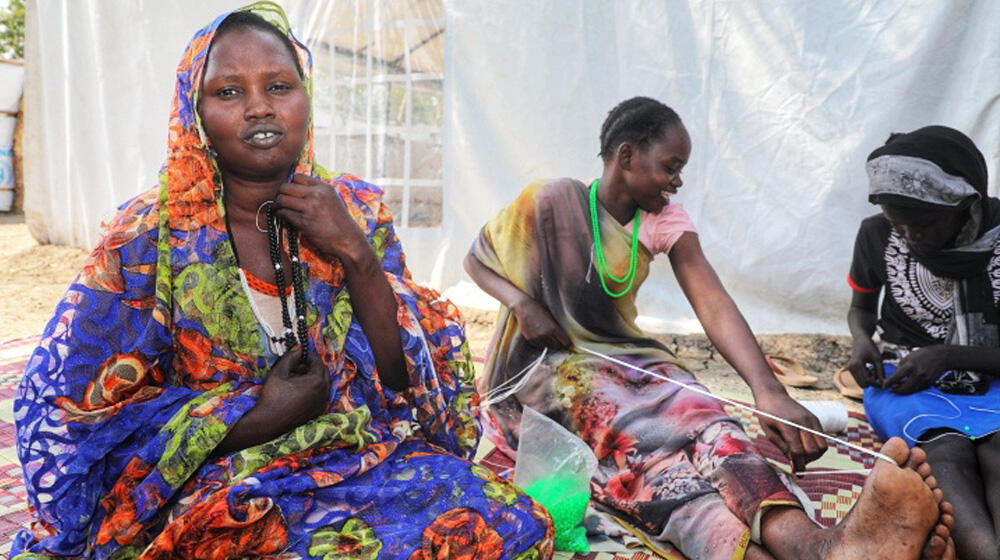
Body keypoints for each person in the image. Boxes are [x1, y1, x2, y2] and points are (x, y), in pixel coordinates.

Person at [11, 4, 552, 559]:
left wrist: (356, 255)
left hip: (350, 451)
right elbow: (69, 414)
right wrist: (258, 416)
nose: (259, 107)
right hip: (220, 478)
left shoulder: (356, 210)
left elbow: (401, 378)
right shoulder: (148, 236)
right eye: (228, 92)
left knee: (512, 524)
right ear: (192, 112)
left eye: (278, 85)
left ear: (305, 97)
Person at [465, 96, 955, 560]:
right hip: (543, 373)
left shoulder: (661, 220)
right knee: (648, 450)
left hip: (626, 359)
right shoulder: (550, 199)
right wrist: (521, 303)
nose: (677, 181)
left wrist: (768, 391)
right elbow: (476, 260)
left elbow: (712, 301)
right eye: (670, 166)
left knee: (706, 417)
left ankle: (818, 546)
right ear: (627, 156)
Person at [846, 125, 1000, 560]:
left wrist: (952, 355)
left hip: (994, 377)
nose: (911, 237)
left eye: (925, 224)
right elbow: (861, 311)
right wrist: (861, 341)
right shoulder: (876, 235)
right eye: (900, 225)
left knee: (996, 450)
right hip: (907, 379)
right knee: (944, 450)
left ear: (965, 203)